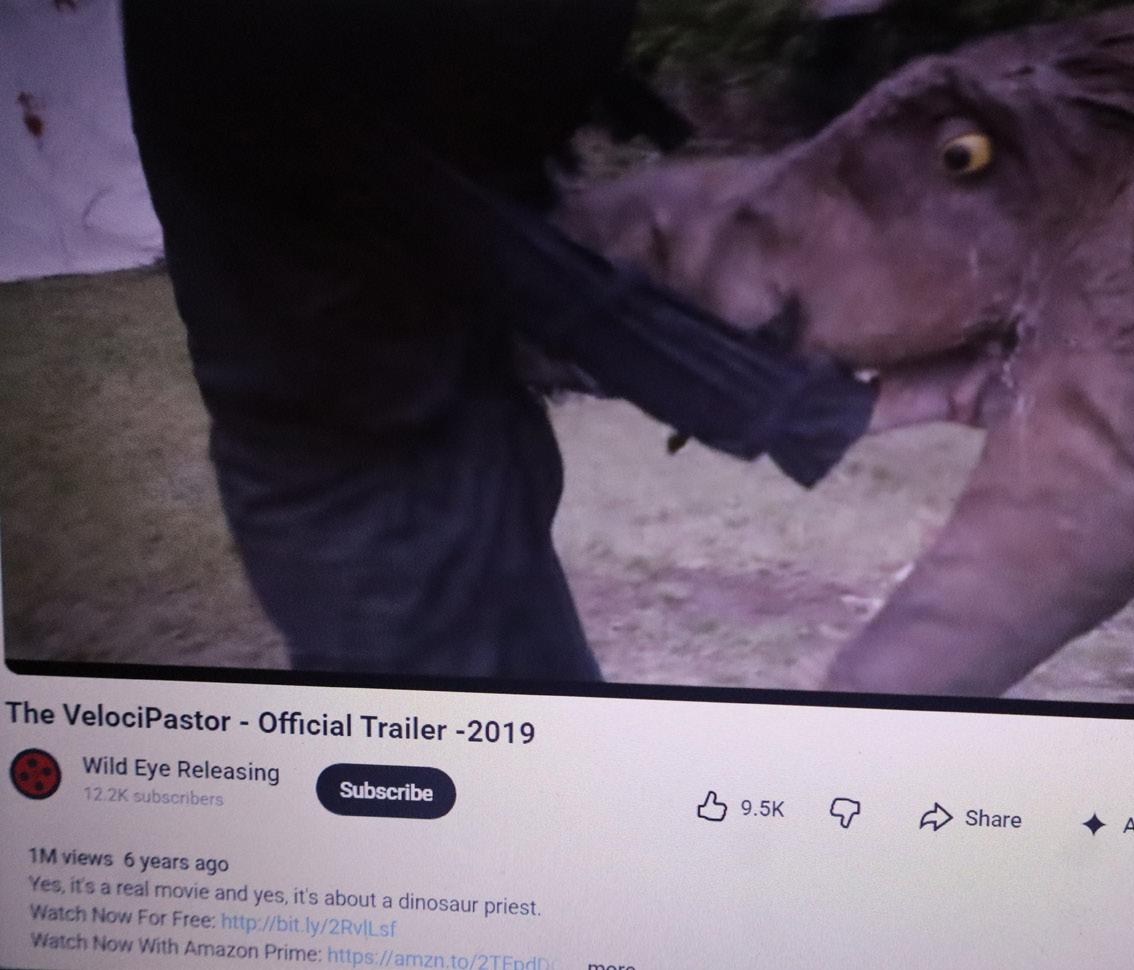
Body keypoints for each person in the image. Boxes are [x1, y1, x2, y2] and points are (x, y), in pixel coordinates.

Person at [120, 0, 875, 681]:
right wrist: (792, 410)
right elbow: (510, 257)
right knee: (431, 770)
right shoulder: (243, 36)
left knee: (555, 745)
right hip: (360, 512)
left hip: (468, 443)